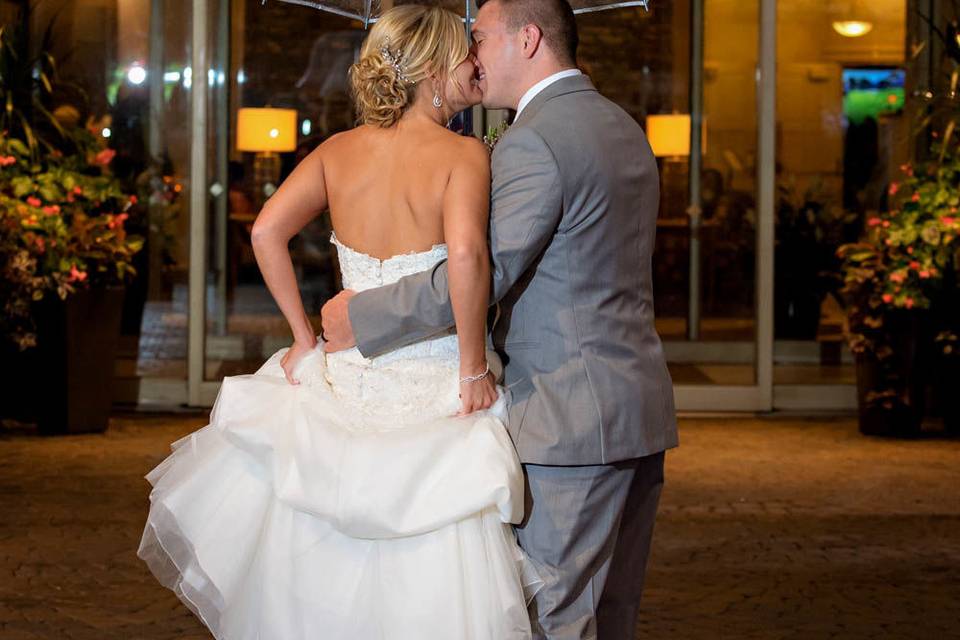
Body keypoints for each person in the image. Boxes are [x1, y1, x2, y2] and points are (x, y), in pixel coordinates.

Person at [137, 6, 540, 638]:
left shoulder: (337, 150)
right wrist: (471, 367)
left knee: (320, 556)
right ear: (432, 69)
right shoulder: (463, 155)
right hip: (434, 380)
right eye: (466, 54)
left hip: (348, 372)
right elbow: (466, 257)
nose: (476, 65)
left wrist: (303, 337)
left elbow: (266, 229)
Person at [320, 0, 679, 637]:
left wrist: (364, 315)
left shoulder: (535, 140)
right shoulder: (622, 124)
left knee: (555, 618)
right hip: (636, 410)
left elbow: (484, 270)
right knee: (613, 615)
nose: (472, 55)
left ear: (529, 37)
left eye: (480, 37)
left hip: (567, 421)